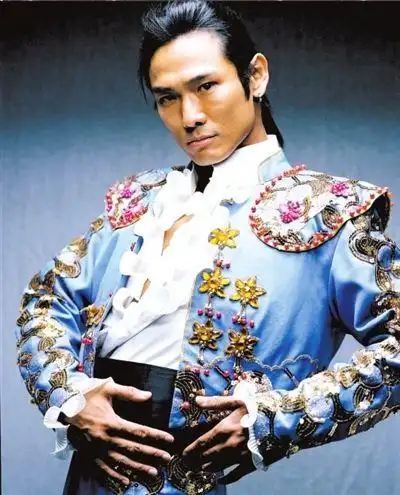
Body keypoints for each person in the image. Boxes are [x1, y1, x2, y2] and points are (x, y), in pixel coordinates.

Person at [15, 1, 399, 495]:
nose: (189, 117)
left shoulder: (328, 210)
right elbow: (47, 299)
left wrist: (274, 420)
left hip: (187, 474)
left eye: (206, 86)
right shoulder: (142, 200)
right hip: (91, 469)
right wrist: (70, 397)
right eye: (167, 98)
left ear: (255, 76)